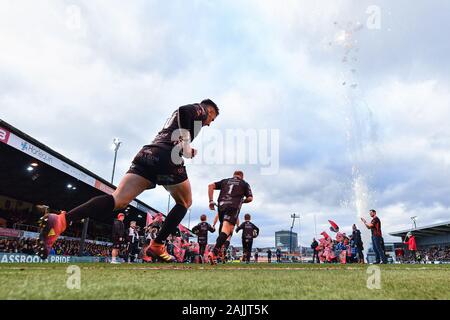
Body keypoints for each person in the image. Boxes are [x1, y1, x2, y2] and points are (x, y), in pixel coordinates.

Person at [36, 100, 220, 262]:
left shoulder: (185, 122)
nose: (210, 124)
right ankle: (157, 245)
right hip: (167, 156)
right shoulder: (201, 109)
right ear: (210, 111)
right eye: (212, 119)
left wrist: (186, 148)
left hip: (148, 153)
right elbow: (184, 110)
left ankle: (62, 220)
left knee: (118, 199)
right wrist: (185, 145)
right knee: (185, 202)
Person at [207, 171, 253, 264]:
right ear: (242, 177)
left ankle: (217, 253)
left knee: (223, 230)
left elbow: (210, 186)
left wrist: (211, 201)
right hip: (233, 206)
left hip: (221, 205)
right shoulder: (244, 183)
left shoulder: (225, 181)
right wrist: (242, 201)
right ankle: (214, 252)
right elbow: (250, 198)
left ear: (234, 175)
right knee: (228, 230)